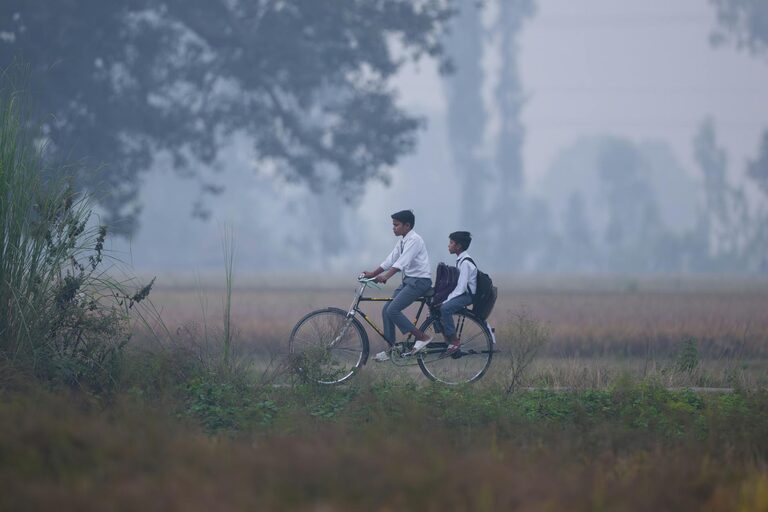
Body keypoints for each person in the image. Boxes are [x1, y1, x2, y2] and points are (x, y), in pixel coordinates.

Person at [361, 210, 433, 361]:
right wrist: (373, 274)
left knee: (393, 309)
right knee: (386, 310)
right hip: (409, 281)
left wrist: (386, 276)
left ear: (407, 225)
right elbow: (390, 260)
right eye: (393, 225)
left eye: (396, 225)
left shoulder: (415, 240)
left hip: (420, 281)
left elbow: (402, 262)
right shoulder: (402, 240)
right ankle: (392, 349)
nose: (393, 228)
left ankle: (423, 337)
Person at [438, 231, 477, 355]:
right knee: (434, 306)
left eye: (451, 243)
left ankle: (454, 341)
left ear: (458, 246)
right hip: (462, 293)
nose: (448, 245)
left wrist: (446, 300)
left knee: (445, 308)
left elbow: (461, 288)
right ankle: (446, 337)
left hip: (468, 296)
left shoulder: (465, 262)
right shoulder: (460, 260)